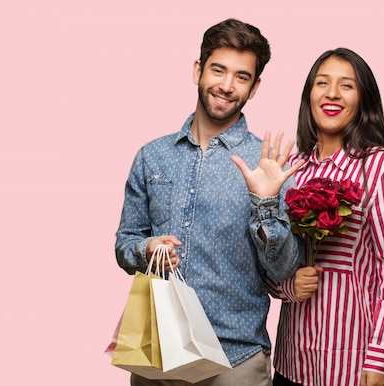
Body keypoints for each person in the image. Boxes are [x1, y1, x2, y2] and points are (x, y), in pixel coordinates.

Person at [114, 18, 304, 386]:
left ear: (255, 87)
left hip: (235, 358)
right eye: (218, 70)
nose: (227, 86)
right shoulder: (152, 156)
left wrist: (265, 204)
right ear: (198, 70)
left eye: (242, 77)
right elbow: (124, 245)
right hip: (157, 351)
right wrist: (147, 248)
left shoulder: (268, 165)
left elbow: (283, 270)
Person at [265, 48, 384, 386]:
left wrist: (381, 357)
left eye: (346, 85)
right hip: (291, 362)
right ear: (310, 95)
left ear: (363, 99)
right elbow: (267, 259)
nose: (332, 93)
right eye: (322, 83)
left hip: (352, 365)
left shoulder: (380, 167)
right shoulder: (291, 169)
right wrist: (289, 286)